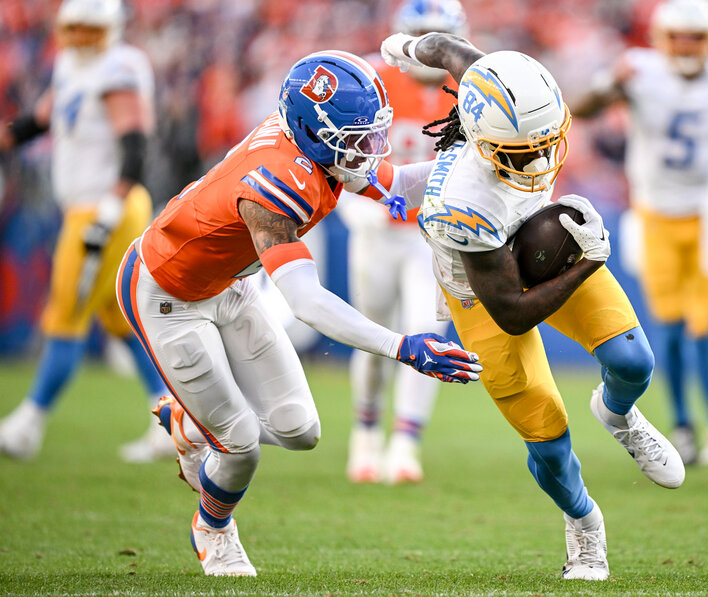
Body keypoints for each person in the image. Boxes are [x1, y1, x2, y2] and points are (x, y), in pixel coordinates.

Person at [116, 50, 482, 576]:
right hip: (166, 293)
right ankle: (213, 527)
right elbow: (307, 302)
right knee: (241, 446)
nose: (367, 149)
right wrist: (402, 346)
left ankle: (188, 424)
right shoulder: (275, 182)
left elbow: (399, 183)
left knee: (300, 429)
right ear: (315, 133)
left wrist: (479, 163)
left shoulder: (318, 149)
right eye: (356, 137)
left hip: (228, 283)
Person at [380, 31, 684, 581]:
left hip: (531, 247)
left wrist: (403, 48)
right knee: (546, 435)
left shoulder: (499, 87)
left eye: (548, 139)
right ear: (486, 141)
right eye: (527, 151)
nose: (544, 155)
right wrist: (588, 263)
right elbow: (513, 313)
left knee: (635, 362)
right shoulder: (463, 202)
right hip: (484, 295)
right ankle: (585, 524)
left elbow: (447, 48)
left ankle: (618, 415)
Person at [568, 0, 708, 466]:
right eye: (678, 36)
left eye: (696, 37)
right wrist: (610, 83)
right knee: (669, 327)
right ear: (661, 38)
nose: (686, 46)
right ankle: (683, 425)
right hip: (656, 213)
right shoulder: (642, 72)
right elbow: (582, 109)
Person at [0, 0, 174, 463]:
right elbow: (40, 120)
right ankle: (171, 416)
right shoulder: (70, 68)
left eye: (88, 30)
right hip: (88, 206)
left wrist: (112, 207)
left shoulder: (119, 67)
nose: (79, 38)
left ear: (110, 30)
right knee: (122, 323)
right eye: (72, 28)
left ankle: (29, 423)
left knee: (66, 311)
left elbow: (135, 142)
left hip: (106, 207)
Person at [339, 0, 468, 485]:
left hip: (433, 236)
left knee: (427, 332)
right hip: (377, 231)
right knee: (374, 338)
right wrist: (355, 208)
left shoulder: (471, 89)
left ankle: (406, 441)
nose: (433, 54)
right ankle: (366, 434)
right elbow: (339, 155)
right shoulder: (370, 81)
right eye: (423, 40)